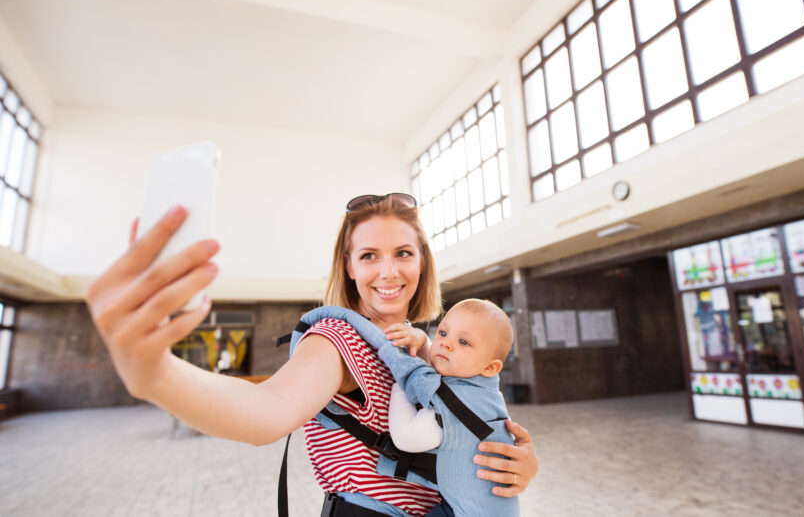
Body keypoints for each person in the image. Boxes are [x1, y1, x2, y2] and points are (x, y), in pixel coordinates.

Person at [85, 193, 538, 516]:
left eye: (403, 253)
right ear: (349, 266)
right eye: (369, 256)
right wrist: (157, 376)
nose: (388, 271)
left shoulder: (424, 345)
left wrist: (517, 463)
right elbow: (269, 409)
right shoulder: (338, 339)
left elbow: (469, 420)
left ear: (422, 262)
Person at [300, 297, 518, 517]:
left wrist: (401, 385)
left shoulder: (457, 403)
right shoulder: (486, 396)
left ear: (490, 368)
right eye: (443, 333)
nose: (446, 343)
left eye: (463, 342)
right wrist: (422, 344)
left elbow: (407, 436)